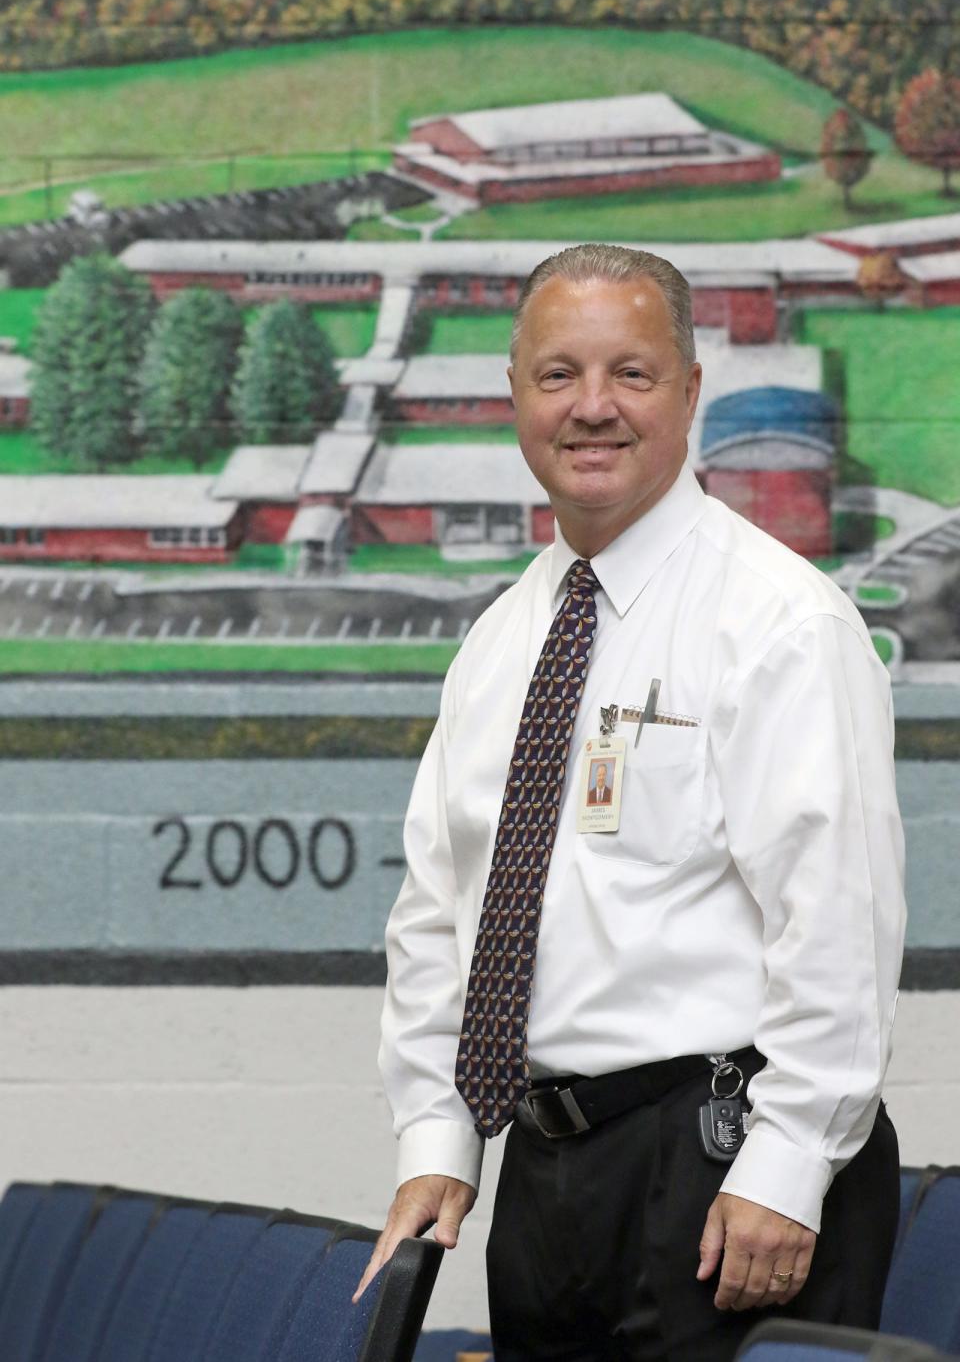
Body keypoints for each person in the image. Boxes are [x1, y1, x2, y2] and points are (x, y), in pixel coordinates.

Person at [358, 244, 906, 1362]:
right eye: (558, 375)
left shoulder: (781, 623)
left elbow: (837, 920)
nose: (592, 407)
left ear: (691, 392)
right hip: (550, 1169)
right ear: (515, 397)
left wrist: (789, 1162)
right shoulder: (505, 635)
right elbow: (439, 910)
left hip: (727, 1168)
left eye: (632, 374)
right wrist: (436, 1136)